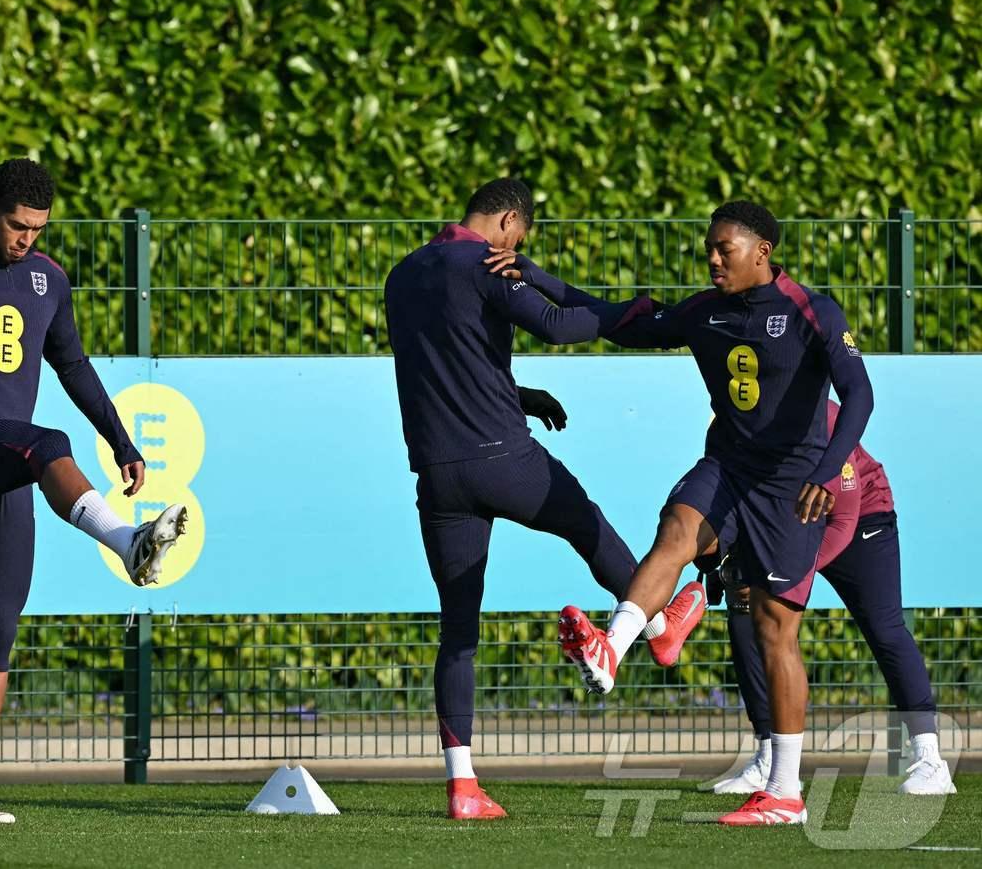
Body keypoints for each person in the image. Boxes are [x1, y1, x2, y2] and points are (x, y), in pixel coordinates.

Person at [496, 199, 874, 826]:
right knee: (675, 530)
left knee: (774, 629)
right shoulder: (703, 311)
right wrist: (535, 277)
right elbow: (615, 320)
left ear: (763, 252)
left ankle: (784, 793)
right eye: (709, 248)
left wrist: (828, 470)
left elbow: (858, 394)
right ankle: (612, 647)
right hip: (727, 466)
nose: (713, 258)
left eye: (726, 248)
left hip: (790, 485)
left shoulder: (812, 310)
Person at [383, 177, 705, 821]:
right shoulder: (485, 263)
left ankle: (463, 789)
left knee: (458, 632)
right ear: (509, 222)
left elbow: (448, 363)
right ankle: (660, 626)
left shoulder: (403, 274)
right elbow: (558, 325)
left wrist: (519, 395)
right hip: (503, 460)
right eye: (520, 236)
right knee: (587, 526)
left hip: (438, 474)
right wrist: (627, 311)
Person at [0, 158, 185, 823]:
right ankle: (128, 542)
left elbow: (72, 363)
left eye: (38, 228)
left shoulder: (47, 278)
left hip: (8, 463)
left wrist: (121, 441)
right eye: (17, 225)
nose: (26, 238)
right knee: (46, 442)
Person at [709, 402, 953, 796]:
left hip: (860, 519)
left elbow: (843, 519)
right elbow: (725, 500)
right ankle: (769, 758)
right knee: (745, 616)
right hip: (785, 524)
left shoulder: (823, 417)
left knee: (885, 628)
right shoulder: (731, 420)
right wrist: (720, 564)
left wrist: (789, 577)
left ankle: (930, 761)